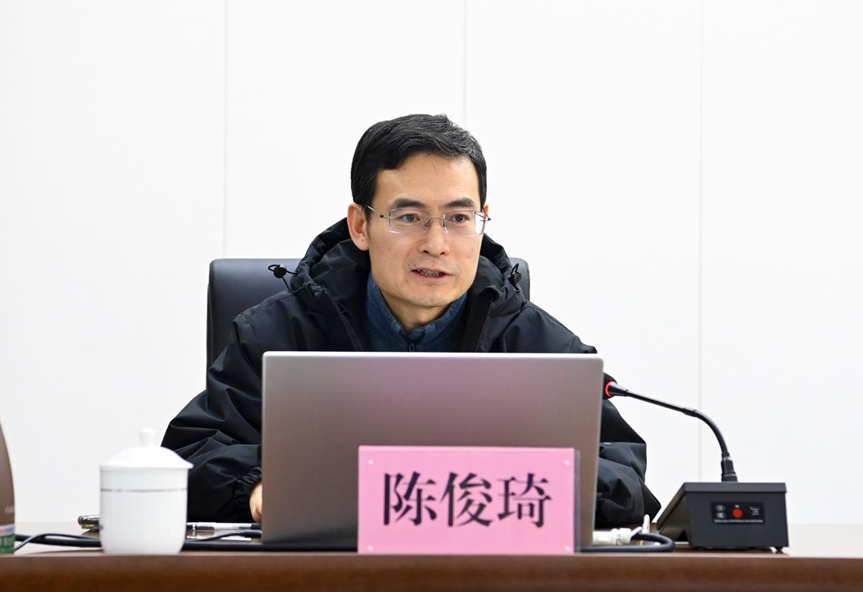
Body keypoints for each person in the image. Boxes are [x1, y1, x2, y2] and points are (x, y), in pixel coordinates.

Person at [162, 114, 661, 527]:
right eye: (409, 217)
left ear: (482, 219)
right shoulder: (276, 335)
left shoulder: (539, 347)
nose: (436, 244)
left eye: (459, 218)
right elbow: (187, 460)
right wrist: (262, 487)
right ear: (361, 226)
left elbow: (625, 483)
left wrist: (500, 483)